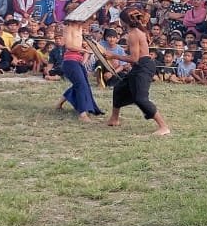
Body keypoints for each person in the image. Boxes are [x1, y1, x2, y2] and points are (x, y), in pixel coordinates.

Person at [103, 7, 171, 136]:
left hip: (143, 66)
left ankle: (164, 126)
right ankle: (114, 119)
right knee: (119, 89)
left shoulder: (133, 34)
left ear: (124, 21)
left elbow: (134, 59)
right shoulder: (137, 31)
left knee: (140, 98)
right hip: (140, 66)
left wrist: (114, 56)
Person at [55, 18, 103, 121]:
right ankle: (82, 114)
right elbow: (69, 45)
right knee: (81, 85)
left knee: (81, 84)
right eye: (88, 22)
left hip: (77, 61)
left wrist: (86, 54)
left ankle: (59, 103)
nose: (88, 24)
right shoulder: (69, 28)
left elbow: (84, 47)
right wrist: (83, 49)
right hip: (70, 61)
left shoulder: (80, 29)